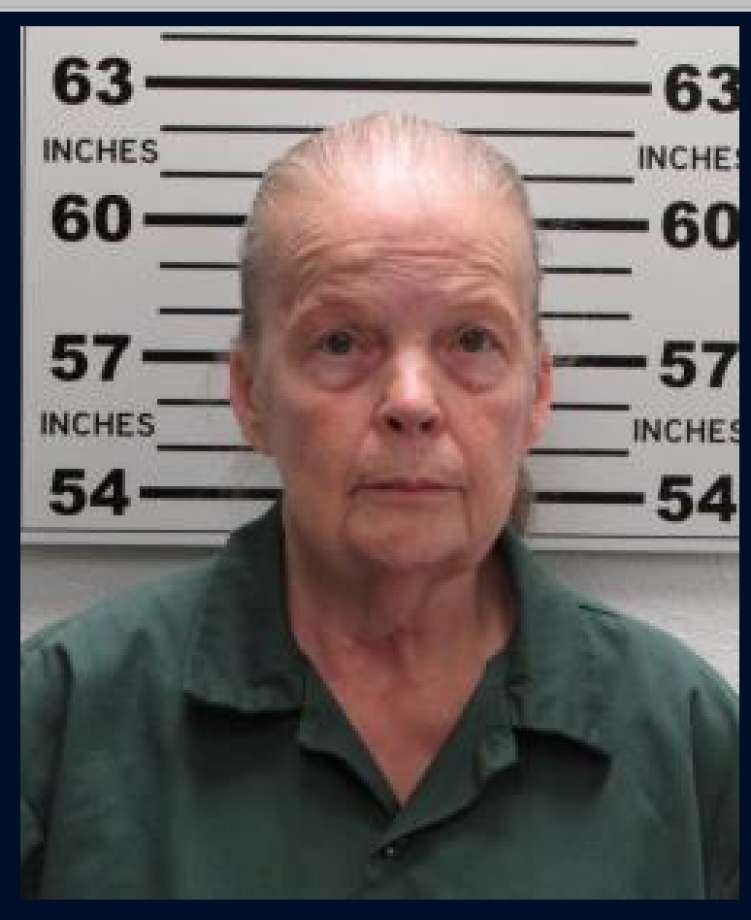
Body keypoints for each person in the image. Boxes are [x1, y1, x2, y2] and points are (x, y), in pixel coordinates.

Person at [21, 112, 738, 899]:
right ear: (251, 395)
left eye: (471, 341)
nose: (411, 401)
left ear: (536, 394)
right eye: (339, 342)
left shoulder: (687, 742)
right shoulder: (56, 719)